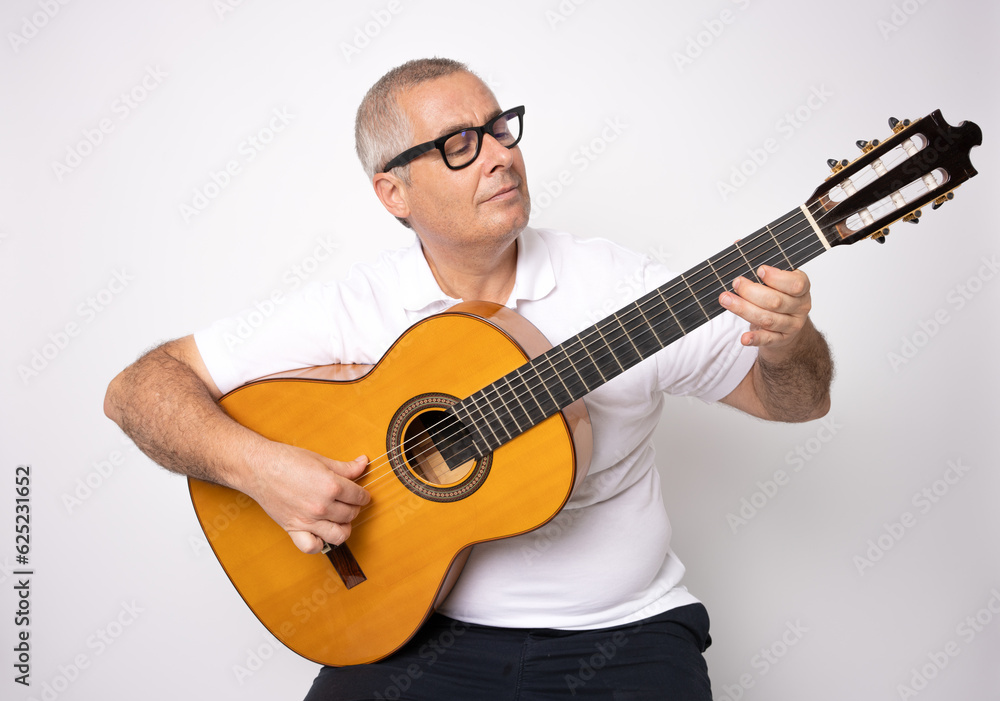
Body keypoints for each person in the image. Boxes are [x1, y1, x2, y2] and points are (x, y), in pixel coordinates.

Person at [104, 58, 832, 699]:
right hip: (412, 631)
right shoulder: (355, 306)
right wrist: (264, 469)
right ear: (394, 192)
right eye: (459, 144)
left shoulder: (619, 286)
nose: (499, 156)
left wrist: (787, 343)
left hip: (626, 638)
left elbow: (795, 400)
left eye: (501, 129)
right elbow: (138, 389)